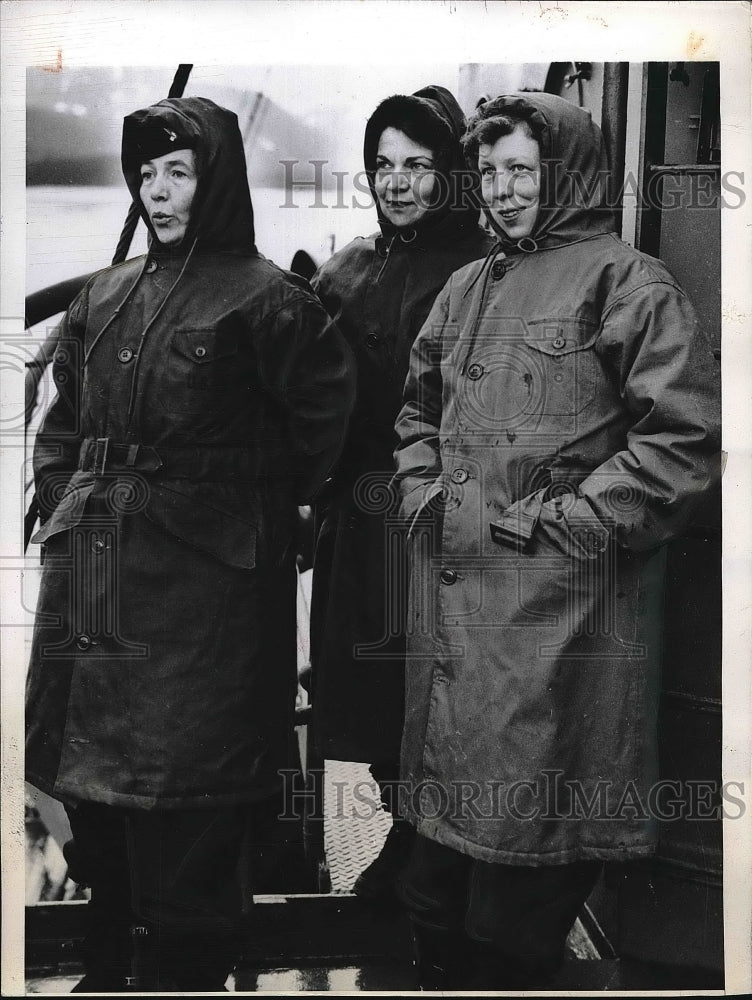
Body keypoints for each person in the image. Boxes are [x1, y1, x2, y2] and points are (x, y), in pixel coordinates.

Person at [25, 96, 355, 992]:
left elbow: (322, 425)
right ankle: (105, 955)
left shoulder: (270, 301)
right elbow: (62, 424)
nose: (157, 190)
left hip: (204, 604)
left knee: (192, 799)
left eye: (178, 172)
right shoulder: (104, 294)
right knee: (93, 787)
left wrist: (252, 513)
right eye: (147, 172)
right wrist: (64, 499)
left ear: (215, 183)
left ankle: (187, 967)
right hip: (94, 581)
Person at [393, 93, 721, 988]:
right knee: (433, 889)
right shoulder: (465, 286)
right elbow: (417, 409)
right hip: (457, 627)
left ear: (564, 174)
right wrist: (422, 489)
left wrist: (570, 521)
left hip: (558, 623)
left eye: (520, 172)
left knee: (519, 894)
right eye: (489, 172)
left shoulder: (630, 282)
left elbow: (680, 444)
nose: (500, 192)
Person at [309, 86, 493, 904]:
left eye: (418, 164)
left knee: (441, 687)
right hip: (360, 519)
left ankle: (431, 848)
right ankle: (400, 831)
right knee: (372, 691)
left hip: (439, 520)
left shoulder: (483, 271)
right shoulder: (346, 271)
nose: (397, 181)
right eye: (383, 164)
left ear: (451, 171)